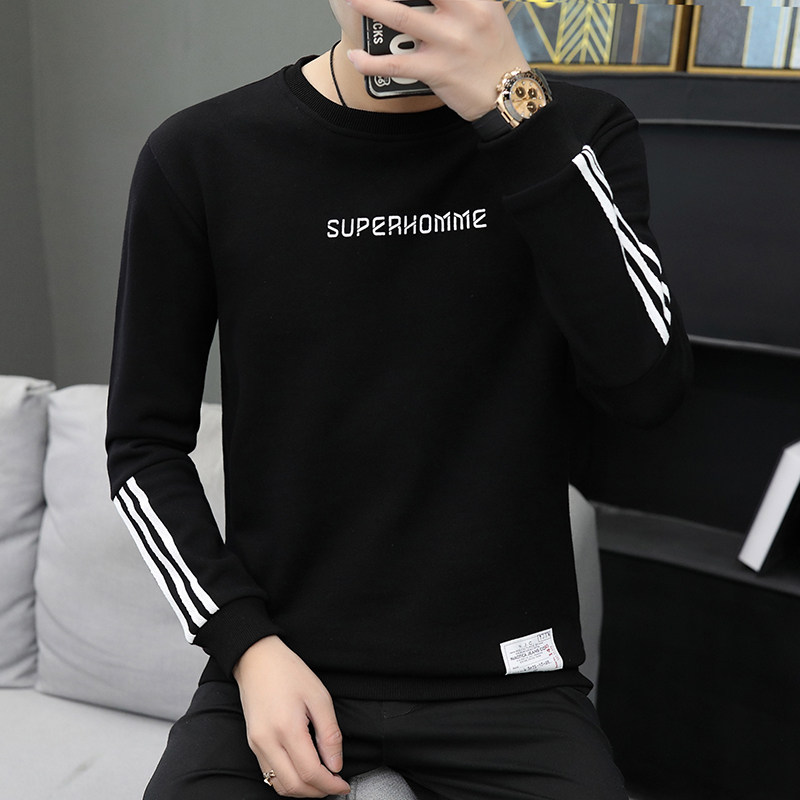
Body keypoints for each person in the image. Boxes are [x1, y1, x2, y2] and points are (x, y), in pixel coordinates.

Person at [106, 1, 692, 798]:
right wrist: (246, 647)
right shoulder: (202, 152)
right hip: (283, 659)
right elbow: (142, 447)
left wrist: (516, 113)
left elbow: (648, 388)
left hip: (511, 679)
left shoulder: (578, 129)